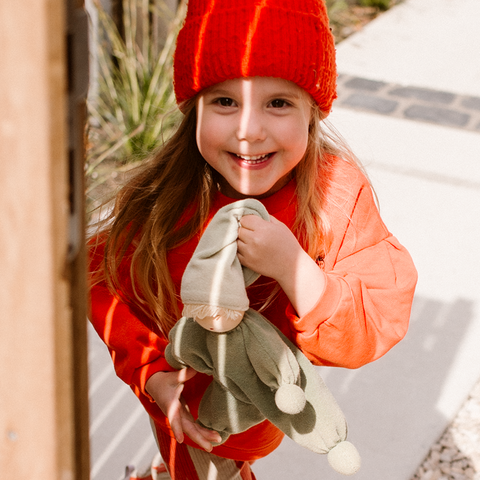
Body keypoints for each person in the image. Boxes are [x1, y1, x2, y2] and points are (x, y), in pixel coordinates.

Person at [88, 0, 418, 479]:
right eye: (225, 101)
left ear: (313, 111)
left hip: (261, 414)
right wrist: (153, 375)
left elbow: (377, 317)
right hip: (180, 412)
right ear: (193, 110)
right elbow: (103, 282)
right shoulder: (168, 198)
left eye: (278, 102)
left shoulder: (333, 194)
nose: (249, 130)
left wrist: (293, 266)